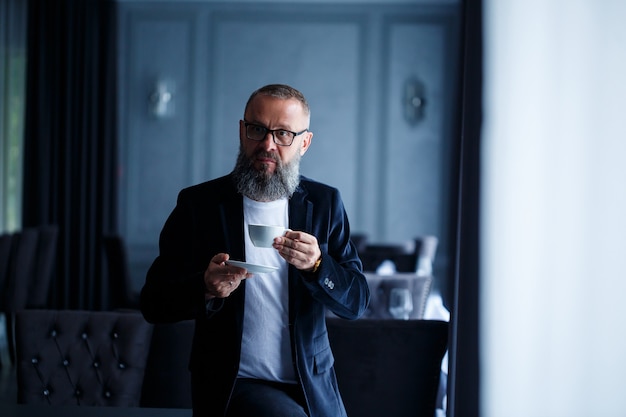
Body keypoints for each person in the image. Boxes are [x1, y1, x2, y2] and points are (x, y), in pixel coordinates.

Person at [140, 83, 370, 417]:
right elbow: (153, 303)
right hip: (234, 383)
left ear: (304, 142)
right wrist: (204, 287)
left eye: (283, 134)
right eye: (257, 129)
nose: (267, 144)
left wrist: (319, 266)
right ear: (241, 130)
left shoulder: (324, 204)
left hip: (313, 383)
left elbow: (357, 302)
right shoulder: (199, 205)